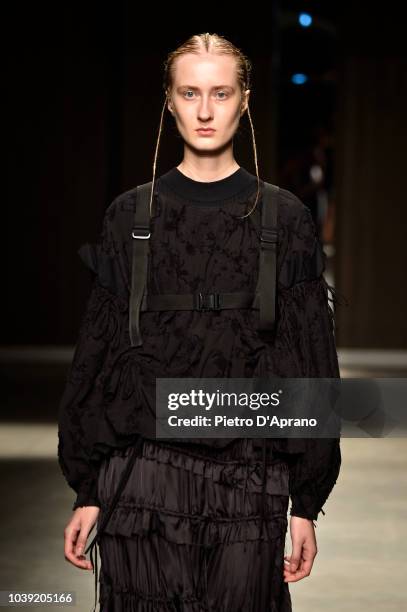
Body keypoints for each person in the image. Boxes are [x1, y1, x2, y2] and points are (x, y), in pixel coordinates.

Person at [58, 32, 342, 612]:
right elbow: (98, 351)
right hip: (141, 476)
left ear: (245, 100)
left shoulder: (284, 218)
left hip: (250, 478)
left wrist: (306, 503)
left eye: (221, 93)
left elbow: (313, 359)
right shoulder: (129, 217)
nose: (206, 111)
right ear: (169, 100)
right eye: (190, 92)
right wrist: (87, 489)